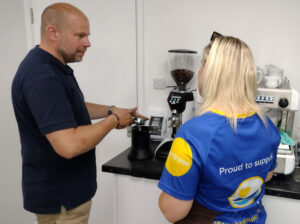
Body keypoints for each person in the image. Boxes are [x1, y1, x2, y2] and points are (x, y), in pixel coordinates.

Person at [11, 3, 147, 224]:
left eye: (87, 35)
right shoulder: (43, 76)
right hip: (62, 201)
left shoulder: (49, 66)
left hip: (65, 195)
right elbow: (69, 146)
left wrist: (111, 110)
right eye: (80, 35)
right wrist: (113, 121)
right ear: (53, 32)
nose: (88, 42)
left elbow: (66, 108)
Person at [157, 32, 280, 224]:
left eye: (202, 65)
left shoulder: (192, 133)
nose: (199, 72)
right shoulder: (267, 124)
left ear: (210, 72)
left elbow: (173, 212)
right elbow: (267, 175)